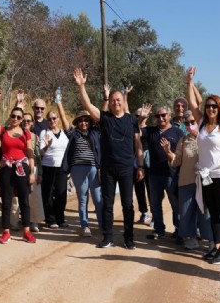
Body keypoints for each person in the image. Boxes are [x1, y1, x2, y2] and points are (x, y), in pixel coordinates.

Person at [73, 68, 144, 249]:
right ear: (110, 103)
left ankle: (129, 238)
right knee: (107, 204)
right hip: (108, 169)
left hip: (127, 167)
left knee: (128, 205)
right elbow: (88, 105)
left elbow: (138, 145)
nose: (115, 103)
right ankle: (108, 237)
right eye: (113, 100)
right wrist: (82, 86)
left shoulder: (131, 120)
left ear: (122, 101)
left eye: (118, 100)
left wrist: (141, 166)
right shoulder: (104, 119)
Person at [187, 65, 220, 265]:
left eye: (214, 106)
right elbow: (192, 103)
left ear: (219, 108)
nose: (210, 109)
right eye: (208, 106)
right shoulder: (201, 124)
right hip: (205, 174)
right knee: (212, 211)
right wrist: (189, 81)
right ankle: (216, 245)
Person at [0, 86, 36, 244]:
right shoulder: (3, 131)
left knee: (24, 201)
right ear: (10, 117)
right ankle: (6, 232)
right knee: (6, 201)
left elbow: (30, 152)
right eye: (13, 116)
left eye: (19, 117)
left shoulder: (26, 133)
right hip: (6, 168)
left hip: (22, 168)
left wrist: (32, 172)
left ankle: (27, 232)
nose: (16, 119)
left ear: (22, 119)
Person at [163, 110, 214, 251]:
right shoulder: (183, 140)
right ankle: (190, 238)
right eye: (187, 123)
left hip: (204, 182)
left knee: (206, 212)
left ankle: (210, 239)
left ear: (199, 122)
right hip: (186, 181)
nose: (190, 125)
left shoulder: (207, 138)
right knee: (186, 212)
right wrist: (168, 152)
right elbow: (177, 161)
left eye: (193, 122)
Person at [139, 104, 184, 241]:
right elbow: (138, 131)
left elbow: (181, 154)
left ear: (169, 116)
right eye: (157, 116)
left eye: (163, 115)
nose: (161, 118)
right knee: (155, 203)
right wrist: (142, 118)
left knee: (175, 203)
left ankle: (179, 229)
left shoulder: (177, 132)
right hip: (154, 175)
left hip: (171, 174)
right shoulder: (151, 131)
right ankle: (159, 229)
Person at [61, 110, 103, 237]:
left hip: (93, 169)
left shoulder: (95, 132)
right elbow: (64, 121)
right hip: (77, 169)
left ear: (90, 122)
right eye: (80, 120)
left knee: (98, 199)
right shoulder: (73, 134)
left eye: (86, 120)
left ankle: (102, 224)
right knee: (83, 199)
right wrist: (58, 102)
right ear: (77, 123)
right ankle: (85, 226)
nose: (83, 123)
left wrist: (106, 98)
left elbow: (101, 117)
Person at [39, 98, 70, 229]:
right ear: (47, 120)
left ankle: (60, 218)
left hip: (62, 168)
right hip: (48, 167)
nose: (52, 121)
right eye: (50, 119)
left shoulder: (64, 133)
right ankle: (50, 220)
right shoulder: (44, 133)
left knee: (61, 194)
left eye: (54, 118)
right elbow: (41, 151)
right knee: (48, 194)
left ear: (57, 119)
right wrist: (47, 146)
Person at [22, 111, 45, 232]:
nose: (26, 122)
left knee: (35, 196)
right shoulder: (16, 134)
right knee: (19, 196)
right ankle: (17, 220)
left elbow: (38, 157)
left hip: (33, 168)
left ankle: (34, 221)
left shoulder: (35, 137)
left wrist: (40, 172)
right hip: (18, 167)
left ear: (32, 123)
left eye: (28, 121)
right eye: (23, 120)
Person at [134, 107, 152, 225]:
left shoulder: (151, 130)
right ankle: (144, 212)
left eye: (142, 115)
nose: (139, 117)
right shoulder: (133, 129)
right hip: (136, 160)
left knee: (151, 189)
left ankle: (155, 214)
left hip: (149, 160)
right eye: (137, 115)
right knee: (139, 188)